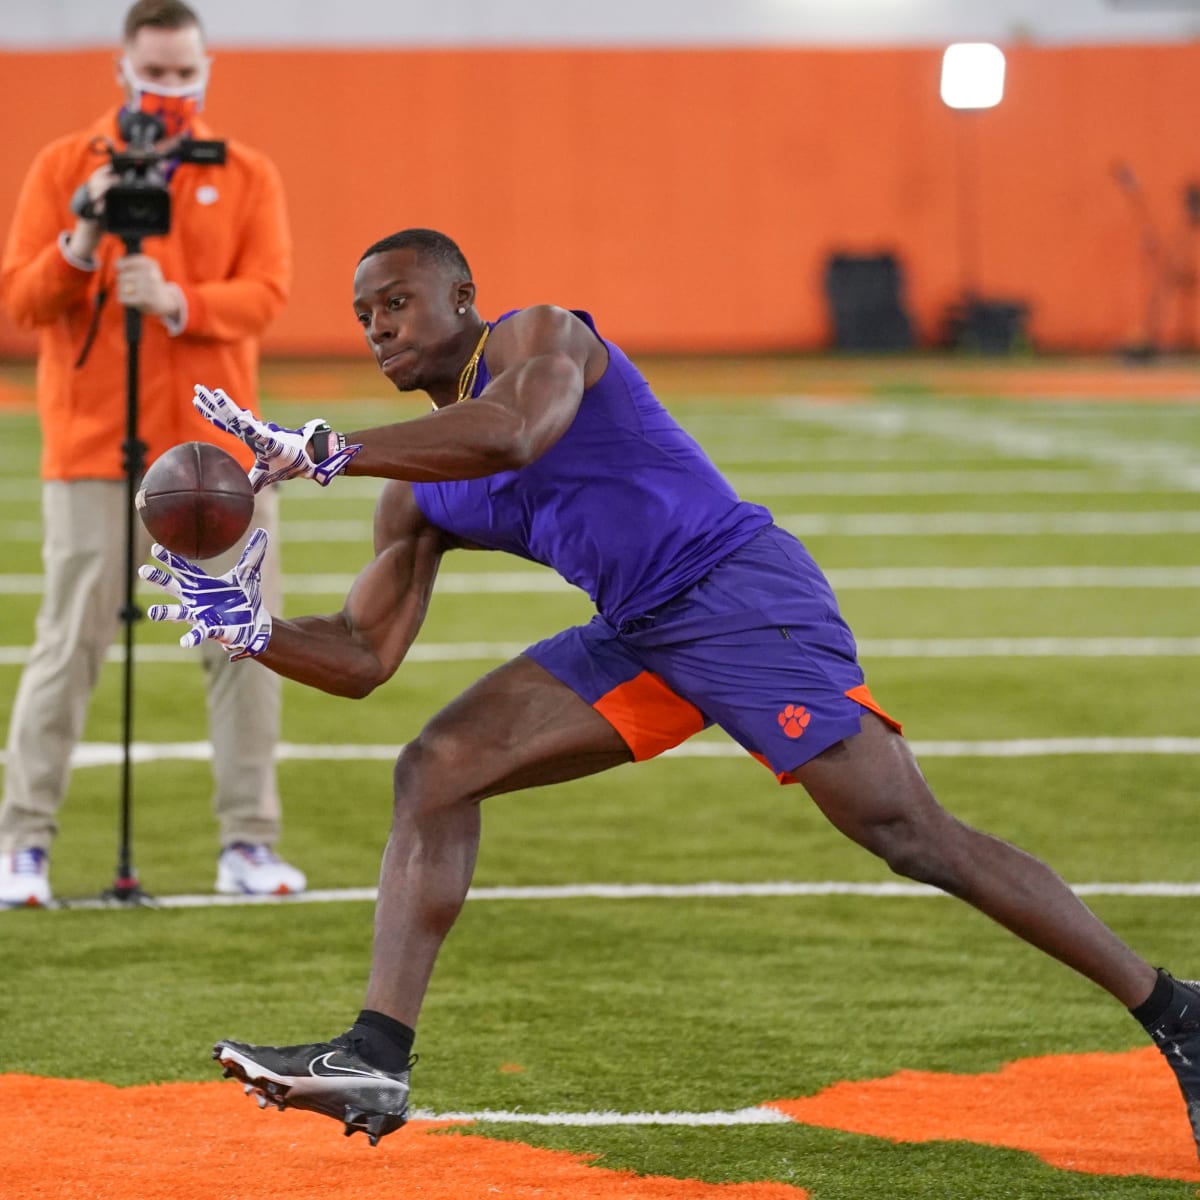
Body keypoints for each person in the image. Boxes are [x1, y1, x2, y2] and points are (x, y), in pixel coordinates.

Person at [142, 227, 1200, 1155]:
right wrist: (252, 628)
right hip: (640, 630)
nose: (377, 325)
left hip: (736, 594)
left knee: (909, 835)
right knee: (436, 766)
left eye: (397, 301)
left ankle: (1175, 1011)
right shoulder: (420, 489)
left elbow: (518, 430)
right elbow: (366, 657)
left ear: (465, 300)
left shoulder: (539, 335)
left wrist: (332, 452)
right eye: (363, 313)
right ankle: (375, 1055)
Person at [0, 0, 305, 905]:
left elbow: (269, 291)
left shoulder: (245, 172)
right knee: (71, 639)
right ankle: (25, 844)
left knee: (242, 640)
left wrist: (180, 302)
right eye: (154, 73)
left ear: (207, 71)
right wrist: (86, 237)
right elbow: (24, 301)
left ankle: (249, 842)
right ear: (121, 70)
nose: (169, 91)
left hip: (215, 449)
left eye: (184, 73)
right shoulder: (65, 167)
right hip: (96, 440)